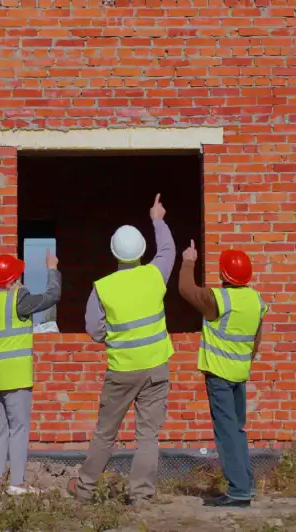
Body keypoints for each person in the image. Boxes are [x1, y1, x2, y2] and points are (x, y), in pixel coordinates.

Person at [69, 194, 176, 506]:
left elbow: (93, 330)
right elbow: (168, 250)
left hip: (122, 370)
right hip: (156, 367)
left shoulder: (103, 287)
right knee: (147, 436)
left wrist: (113, 337)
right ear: (142, 251)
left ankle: (85, 490)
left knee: (105, 433)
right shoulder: (156, 274)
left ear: (114, 252)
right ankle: (141, 496)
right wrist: (157, 219)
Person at [178, 242, 267, 508]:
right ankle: (246, 484)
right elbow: (256, 341)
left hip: (219, 375)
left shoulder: (219, 299)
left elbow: (186, 290)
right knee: (237, 430)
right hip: (240, 372)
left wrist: (189, 261)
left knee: (226, 432)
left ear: (223, 275)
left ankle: (239, 490)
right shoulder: (256, 300)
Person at [0, 250, 61, 495]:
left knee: (0, 429)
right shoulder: (19, 298)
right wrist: (52, 269)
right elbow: (52, 296)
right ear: (11, 280)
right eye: (18, 275)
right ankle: (17, 483)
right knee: (19, 429)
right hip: (16, 375)